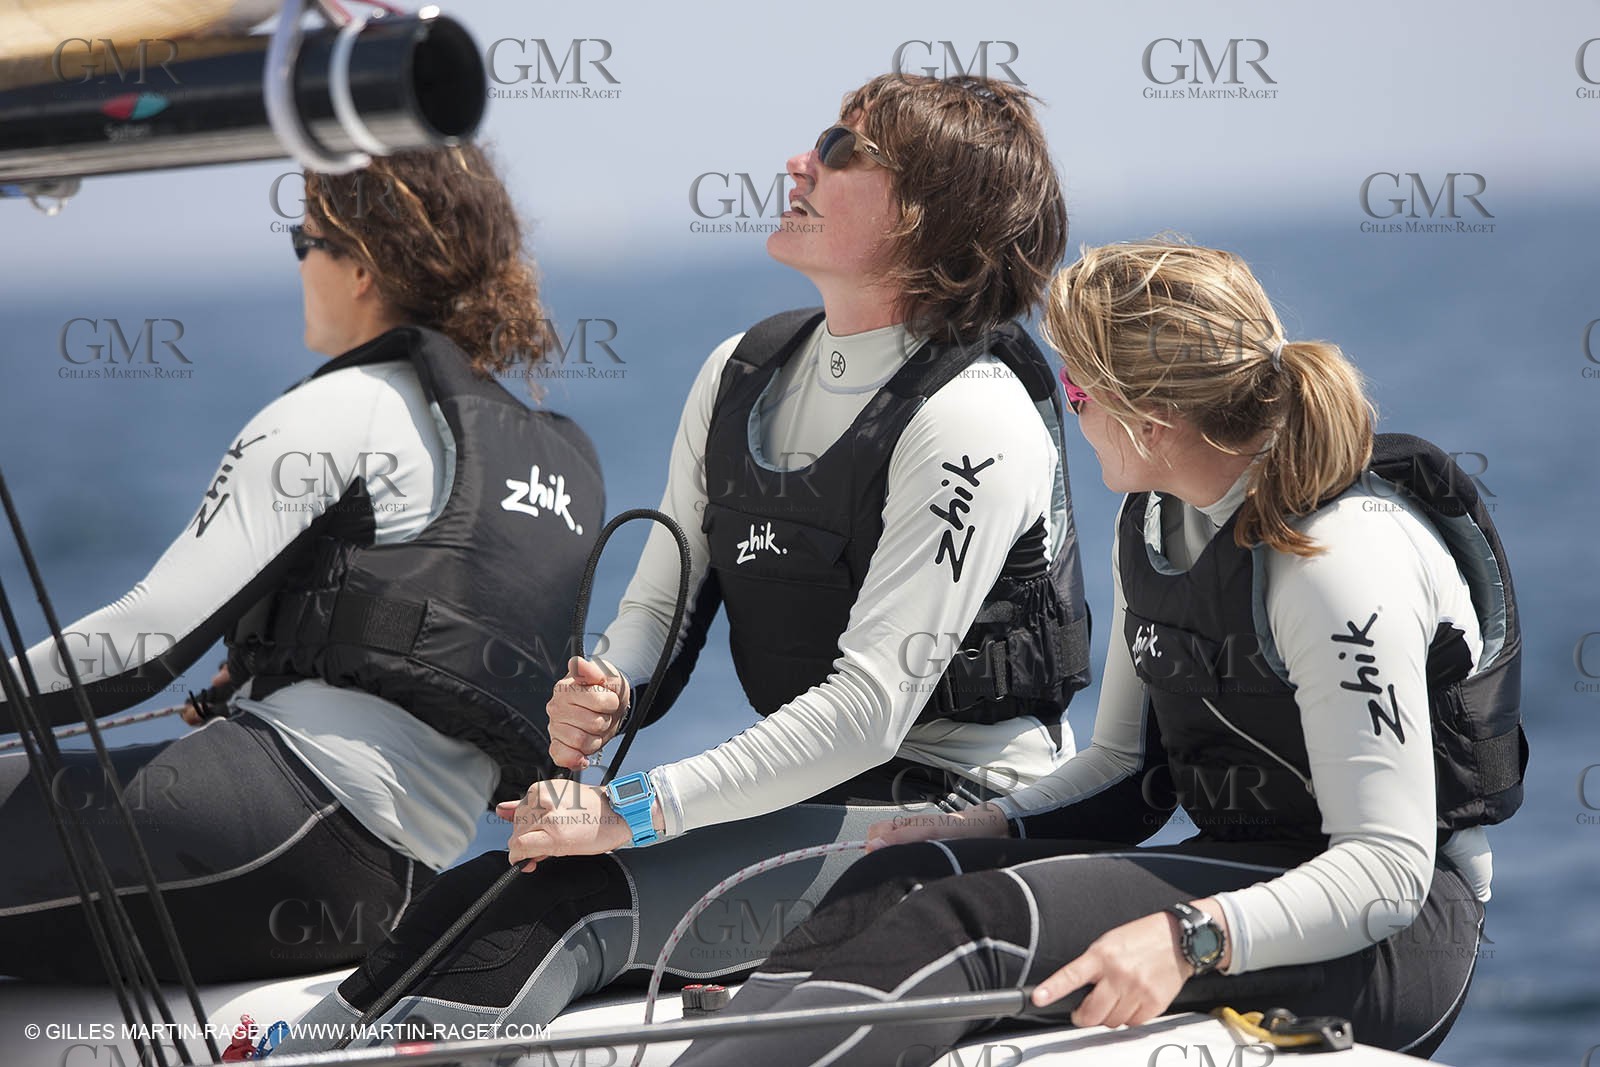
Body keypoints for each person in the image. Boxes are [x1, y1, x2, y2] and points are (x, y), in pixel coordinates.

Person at [277, 73, 1093, 1051]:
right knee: (472, 897)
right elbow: (660, 613)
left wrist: (629, 808)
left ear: (929, 216)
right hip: (820, 798)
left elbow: (868, 712)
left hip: (954, 817)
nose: (800, 162)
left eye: (842, 150)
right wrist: (609, 689)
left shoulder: (973, 417)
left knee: (551, 913)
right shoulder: (740, 372)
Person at [669, 240, 1526, 1066]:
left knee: (974, 925)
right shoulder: (1154, 518)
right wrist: (985, 824)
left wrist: (1189, 940)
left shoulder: (1334, 563)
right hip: (1254, 874)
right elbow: (1126, 773)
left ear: (1150, 420)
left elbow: (1386, 872)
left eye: (1077, 393)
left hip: (1397, 935)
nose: (1069, 414)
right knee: (903, 876)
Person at [0, 145, 603, 982]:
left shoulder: (341, 407)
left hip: (279, 823)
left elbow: (141, 646)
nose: (298, 265)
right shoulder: (537, 455)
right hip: (396, 882)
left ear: (361, 267)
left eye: (305, 241)